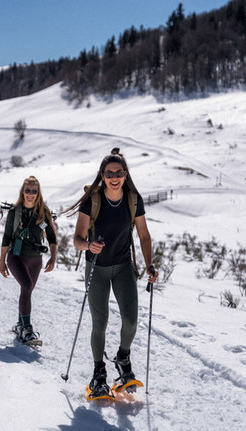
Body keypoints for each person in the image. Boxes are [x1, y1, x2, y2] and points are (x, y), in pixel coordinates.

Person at [64, 148, 158, 395]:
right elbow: (77, 239)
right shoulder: (92, 200)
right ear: (102, 175)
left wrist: (149, 265)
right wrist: (88, 246)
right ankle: (99, 374)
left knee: (131, 321)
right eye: (109, 173)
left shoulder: (133, 199)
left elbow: (144, 235)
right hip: (97, 267)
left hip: (123, 266)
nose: (114, 177)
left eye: (118, 172)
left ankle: (123, 358)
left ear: (125, 175)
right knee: (100, 322)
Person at [0, 175, 57, 343]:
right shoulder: (14, 212)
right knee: (27, 285)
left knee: (27, 290)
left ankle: (19, 324)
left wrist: (53, 258)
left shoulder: (43, 212)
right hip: (16, 257)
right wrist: (2, 262)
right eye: (27, 191)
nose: (30, 194)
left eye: (34, 191)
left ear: (38, 193)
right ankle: (27, 328)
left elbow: (52, 237)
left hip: (35, 260)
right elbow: (6, 237)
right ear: (22, 192)